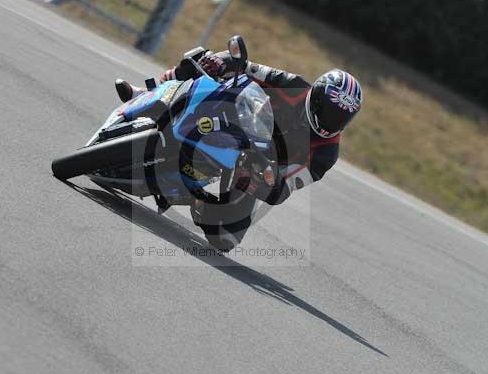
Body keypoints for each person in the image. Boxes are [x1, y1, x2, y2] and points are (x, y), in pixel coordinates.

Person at [115, 47, 363, 252]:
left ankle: (199, 200)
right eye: (330, 111)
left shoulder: (326, 153)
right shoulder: (294, 86)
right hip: (239, 120)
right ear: (316, 96)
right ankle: (146, 93)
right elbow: (247, 66)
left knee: (224, 239)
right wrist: (220, 62)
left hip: (256, 166)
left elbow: (283, 189)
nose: (331, 121)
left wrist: (264, 176)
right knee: (201, 58)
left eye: (340, 118)